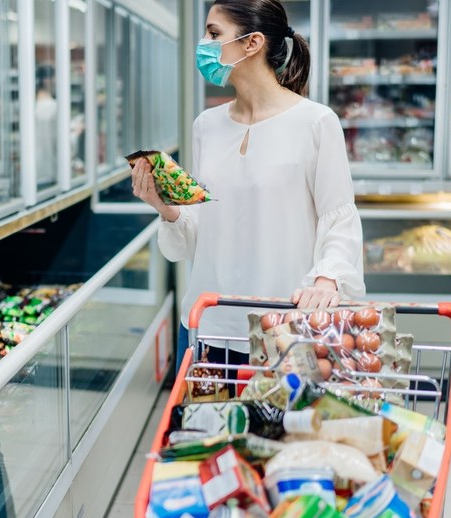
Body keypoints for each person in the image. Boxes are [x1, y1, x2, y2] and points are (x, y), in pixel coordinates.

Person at [130, 0, 365, 371]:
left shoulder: (316, 122)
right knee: (201, 429)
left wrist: (327, 278)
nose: (203, 43)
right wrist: (165, 206)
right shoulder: (206, 125)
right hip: (206, 323)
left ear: (252, 43)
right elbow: (201, 229)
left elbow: (338, 218)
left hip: (283, 329)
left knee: (277, 429)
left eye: (213, 33)